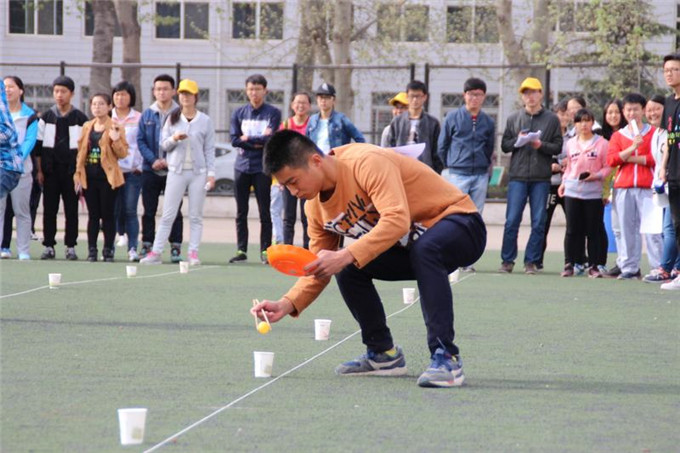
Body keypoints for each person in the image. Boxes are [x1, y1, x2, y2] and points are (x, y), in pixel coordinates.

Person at [251, 130, 486, 388]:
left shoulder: (366, 162)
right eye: (285, 186)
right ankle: (383, 354)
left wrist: (345, 254)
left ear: (315, 161)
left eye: (294, 181)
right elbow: (318, 267)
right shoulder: (314, 209)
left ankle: (446, 358)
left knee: (409, 251)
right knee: (349, 267)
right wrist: (287, 303)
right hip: (415, 249)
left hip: (461, 225)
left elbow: (396, 219)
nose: (292, 191)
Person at [141, 79, 215, 266]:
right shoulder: (172, 118)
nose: (185, 97)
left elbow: (209, 149)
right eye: (182, 94)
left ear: (196, 97)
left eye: (189, 94)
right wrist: (174, 138)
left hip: (198, 172)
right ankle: (156, 252)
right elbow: (163, 144)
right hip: (176, 171)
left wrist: (211, 173)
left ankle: (193, 253)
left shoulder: (205, 121)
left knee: (196, 215)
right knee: (168, 214)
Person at [498, 77, 563, 274]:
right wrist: (517, 141)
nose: (530, 96)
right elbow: (505, 145)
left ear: (541, 94)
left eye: (534, 92)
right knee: (512, 220)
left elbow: (558, 146)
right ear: (522, 96)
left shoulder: (551, 119)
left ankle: (531, 262)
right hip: (517, 175)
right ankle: (507, 260)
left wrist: (540, 145)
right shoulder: (513, 118)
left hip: (541, 177)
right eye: (526, 93)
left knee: (538, 220)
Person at [606, 93, 662, 280]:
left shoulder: (654, 133)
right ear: (624, 112)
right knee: (627, 229)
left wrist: (629, 158)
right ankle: (629, 267)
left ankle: (657, 267)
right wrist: (631, 149)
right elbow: (612, 159)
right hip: (624, 187)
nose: (632, 113)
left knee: (652, 230)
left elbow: (656, 159)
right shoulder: (618, 135)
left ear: (643, 110)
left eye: (636, 109)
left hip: (648, 187)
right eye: (628, 109)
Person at [34, 76, 88, 261]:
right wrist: (40, 171)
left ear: (71, 94)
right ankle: (49, 245)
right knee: (49, 209)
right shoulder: (46, 117)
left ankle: (70, 246)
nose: (59, 95)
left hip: (72, 173)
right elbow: (39, 147)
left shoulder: (80, 118)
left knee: (71, 210)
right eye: (56, 91)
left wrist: (79, 172)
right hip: (50, 172)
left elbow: (84, 148)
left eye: (63, 91)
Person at [229, 74, 281, 264]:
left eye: (258, 89)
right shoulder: (238, 113)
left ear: (265, 91)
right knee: (241, 212)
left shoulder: (273, 113)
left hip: (262, 168)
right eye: (251, 89)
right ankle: (241, 250)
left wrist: (247, 139)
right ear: (246, 91)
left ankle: (265, 251)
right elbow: (234, 140)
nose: (254, 93)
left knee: (264, 211)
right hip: (241, 167)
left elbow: (270, 140)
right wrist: (257, 141)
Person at [73, 93, 128, 262]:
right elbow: (81, 152)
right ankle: (92, 250)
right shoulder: (87, 126)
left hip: (108, 178)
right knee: (93, 215)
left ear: (109, 106)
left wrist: (116, 140)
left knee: (108, 215)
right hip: (89, 177)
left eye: (102, 104)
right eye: (94, 104)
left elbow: (123, 153)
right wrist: (78, 174)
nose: (97, 107)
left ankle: (108, 250)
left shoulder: (115, 127)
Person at [557, 108, 611, 278]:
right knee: (572, 229)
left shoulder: (602, 143)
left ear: (593, 122)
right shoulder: (571, 143)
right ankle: (569, 263)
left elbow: (608, 166)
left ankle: (594, 265)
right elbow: (569, 167)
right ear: (575, 124)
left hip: (593, 193)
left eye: (587, 121)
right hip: (573, 191)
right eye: (580, 121)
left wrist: (597, 176)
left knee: (593, 230)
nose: (584, 124)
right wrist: (564, 182)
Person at [137, 74, 183, 262]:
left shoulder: (180, 114)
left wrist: (169, 160)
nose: (162, 92)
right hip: (150, 169)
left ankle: (175, 246)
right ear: (154, 91)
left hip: (174, 170)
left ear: (173, 91)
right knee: (149, 209)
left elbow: (183, 140)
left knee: (174, 210)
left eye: (165, 88)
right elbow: (140, 140)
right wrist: (153, 159)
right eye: (158, 89)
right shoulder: (147, 113)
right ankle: (147, 244)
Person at [438, 77, 495, 213]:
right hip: (457, 174)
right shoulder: (452, 117)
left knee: (476, 214)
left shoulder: (488, 121)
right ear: (464, 95)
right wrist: (452, 163)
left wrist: (484, 165)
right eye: (471, 94)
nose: (474, 98)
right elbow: (442, 146)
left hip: (480, 175)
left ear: (484, 97)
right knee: (456, 212)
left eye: (479, 94)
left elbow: (489, 147)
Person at [643, 95, 679, 283]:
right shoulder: (656, 133)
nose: (652, 113)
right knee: (670, 228)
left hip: (672, 182)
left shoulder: (670, 133)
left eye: (657, 109)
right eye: (649, 110)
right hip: (663, 186)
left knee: (670, 228)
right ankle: (674, 267)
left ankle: (666, 268)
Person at [0, 76, 37, 260]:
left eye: (11, 87)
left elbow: (29, 142)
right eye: (5, 87)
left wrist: (15, 161)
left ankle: (23, 250)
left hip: (20, 171)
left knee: (22, 211)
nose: (7, 90)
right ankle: (2, 248)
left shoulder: (30, 115)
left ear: (21, 90)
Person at [111, 81, 143, 261]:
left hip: (132, 172)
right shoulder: (108, 117)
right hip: (112, 172)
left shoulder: (138, 118)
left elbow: (142, 143)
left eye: (123, 94)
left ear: (131, 96)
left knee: (130, 209)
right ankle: (111, 245)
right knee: (113, 210)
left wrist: (140, 165)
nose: (120, 98)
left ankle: (132, 248)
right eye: (116, 94)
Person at [537, 100, 569, 272]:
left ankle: (572, 261)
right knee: (543, 223)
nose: (563, 117)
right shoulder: (546, 134)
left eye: (566, 114)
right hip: (550, 184)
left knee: (573, 225)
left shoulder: (575, 135)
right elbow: (540, 154)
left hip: (569, 185)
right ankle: (537, 260)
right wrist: (552, 166)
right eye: (560, 113)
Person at [386, 80, 443, 173]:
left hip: (424, 170)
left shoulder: (433, 123)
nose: (415, 100)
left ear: (425, 97)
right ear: (407, 97)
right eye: (412, 96)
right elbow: (390, 146)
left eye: (418, 96)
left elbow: (437, 152)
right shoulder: (397, 122)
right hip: (402, 169)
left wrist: (436, 172)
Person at [279, 91, 312, 248]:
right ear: (292, 105)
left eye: (304, 103)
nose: (301, 105)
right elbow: (278, 150)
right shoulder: (285, 126)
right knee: (289, 216)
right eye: (297, 102)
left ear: (309, 106)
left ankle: (307, 248)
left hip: (308, 177)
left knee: (308, 216)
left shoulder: (314, 125)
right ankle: (288, 248)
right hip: (289, 178)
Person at [659, 53, 680, 290]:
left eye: (674, 69)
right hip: (674, 174)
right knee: (677, 224)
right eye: (666, 69)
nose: (669, 73)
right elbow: (669, 140)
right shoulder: (668, 103)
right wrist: (663, 168)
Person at [600, 100, 628, 277]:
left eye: (616, 112)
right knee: (616, 228)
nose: (613, 116)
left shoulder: (629, 134)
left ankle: (629, 263)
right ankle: (621, 261)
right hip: (610, 186)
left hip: (626, 183)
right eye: (609, 112)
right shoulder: (602, 137)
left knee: (627, 227)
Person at [306, 82, 365, 155]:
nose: (323, 100)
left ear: (333, 100)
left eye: (327, 97)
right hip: (316, 161)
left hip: (335, 162)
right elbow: (306, 143)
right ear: (317, 100)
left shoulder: (341, 119)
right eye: (321, 97)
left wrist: (351, 156)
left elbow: (360, 139)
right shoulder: (312, 120)